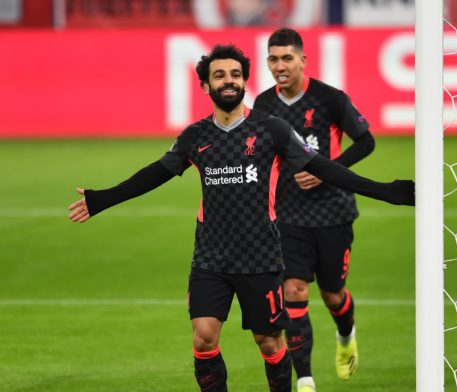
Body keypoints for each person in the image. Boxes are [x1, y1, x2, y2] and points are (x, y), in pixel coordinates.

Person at [67, 44, 414, 392]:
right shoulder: (195, 136)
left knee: (269, 342)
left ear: (245, 80)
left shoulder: (272, 129)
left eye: (235, 74)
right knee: (204, 338)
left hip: (260, 257)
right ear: (206, 86)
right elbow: (154, 174)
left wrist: (386, 191)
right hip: (210, 257)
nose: (228, 81)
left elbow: (323, 167)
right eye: (219, 75)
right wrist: (102, 199)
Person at [253, 27, 374, 392]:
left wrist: (326, 172)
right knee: (294, 291)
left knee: (334, 294)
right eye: (273, 59)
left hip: (332, 213)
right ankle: (304, 379)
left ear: (303, 60)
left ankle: (345, 332)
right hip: (288, 216)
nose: (280, 65)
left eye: (287, 58)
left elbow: (366, 141)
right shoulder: (263, 105)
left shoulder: (329, 99)